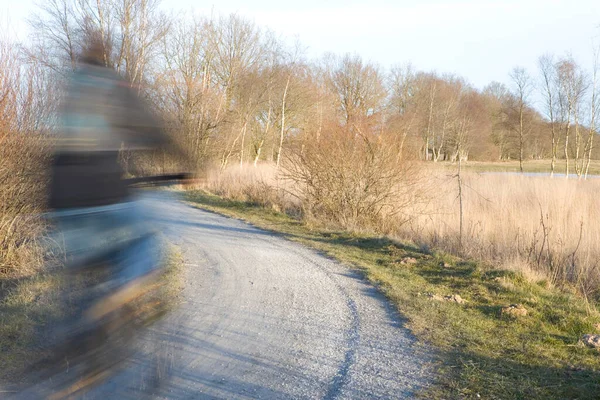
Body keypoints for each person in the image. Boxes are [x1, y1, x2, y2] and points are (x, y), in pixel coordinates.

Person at [48, 33, 187, 326]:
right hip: (100, 188)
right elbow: (150, 127)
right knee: (145, 241)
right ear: (106, 56)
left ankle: (76, 339)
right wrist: (186, 161)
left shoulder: (70, 87)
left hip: (58, 196)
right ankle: (121, 292)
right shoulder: (112, 83)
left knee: (87, 260)